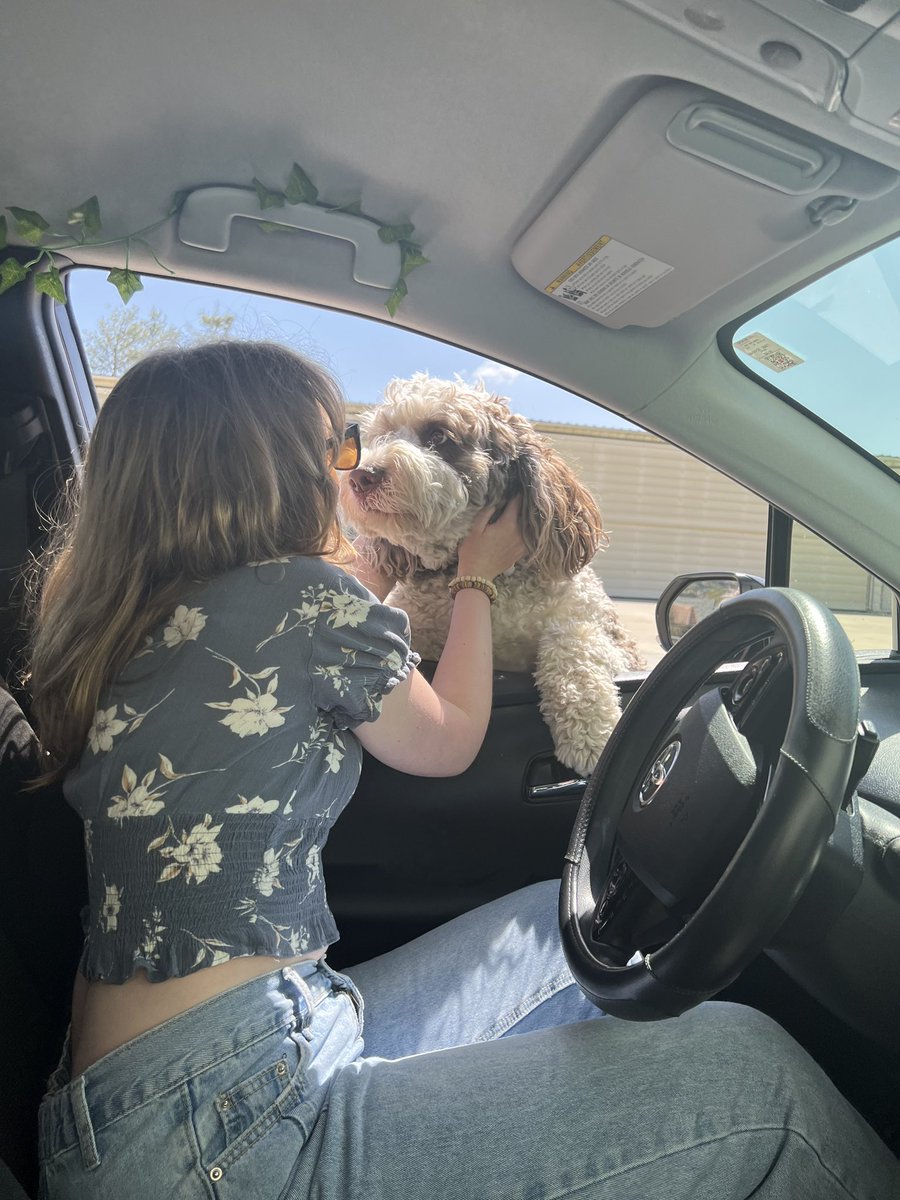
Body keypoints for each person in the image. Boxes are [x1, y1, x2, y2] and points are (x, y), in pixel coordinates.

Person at [29, 341, 898, 1200]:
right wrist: (476, 578)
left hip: (130, 1094)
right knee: (759, 1080)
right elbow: (446, 742)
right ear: (274, 470)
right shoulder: (303, 597)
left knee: (562, 925)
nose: (349, 468)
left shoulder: (115, 621)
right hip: (222, 1123)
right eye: (337, 447)